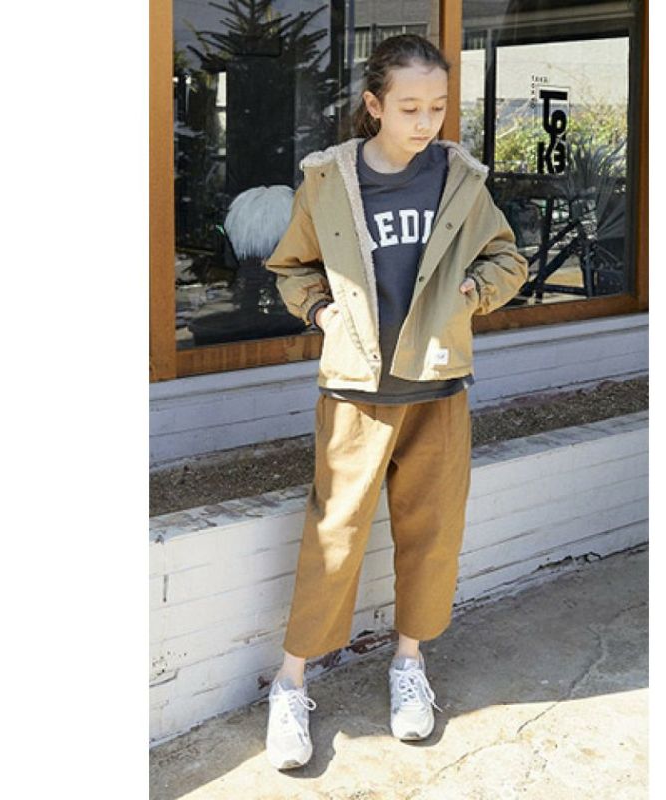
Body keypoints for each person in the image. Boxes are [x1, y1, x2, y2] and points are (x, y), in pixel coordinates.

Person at [262, 33, 529, 770]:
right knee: (334, 536)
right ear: (374, 105)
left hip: (438, 386)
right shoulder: (329, 180)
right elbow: (292, 267)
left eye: (437, 107)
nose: (425, 122)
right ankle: (291, 682)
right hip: (354, 389)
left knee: (432, 532)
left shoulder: (460, 179)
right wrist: (320, 313)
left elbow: (507, 257)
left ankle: (409, 662)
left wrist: (474, 291)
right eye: (409, 107)